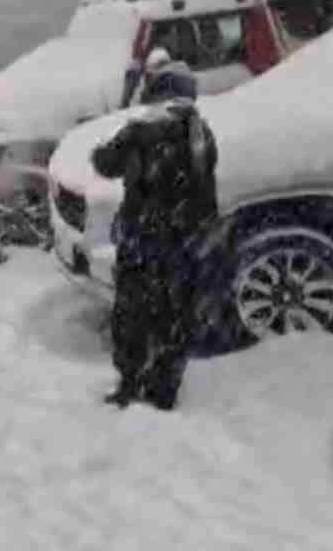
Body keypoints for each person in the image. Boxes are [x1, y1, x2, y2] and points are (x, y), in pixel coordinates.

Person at [90, 100, 218, 410]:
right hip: (179, 243)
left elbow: (104, 163)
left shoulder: (140, 132)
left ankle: (131, 382)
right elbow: (205, 184)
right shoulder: (199, 133)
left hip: (141, 242)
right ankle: (163, 387)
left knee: (131, 316)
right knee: (173, 316)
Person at [119, 47, 197, 109]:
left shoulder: (164, 76)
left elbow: (149, 103)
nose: (149, 76)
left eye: (149, 74)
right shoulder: (183, 70)